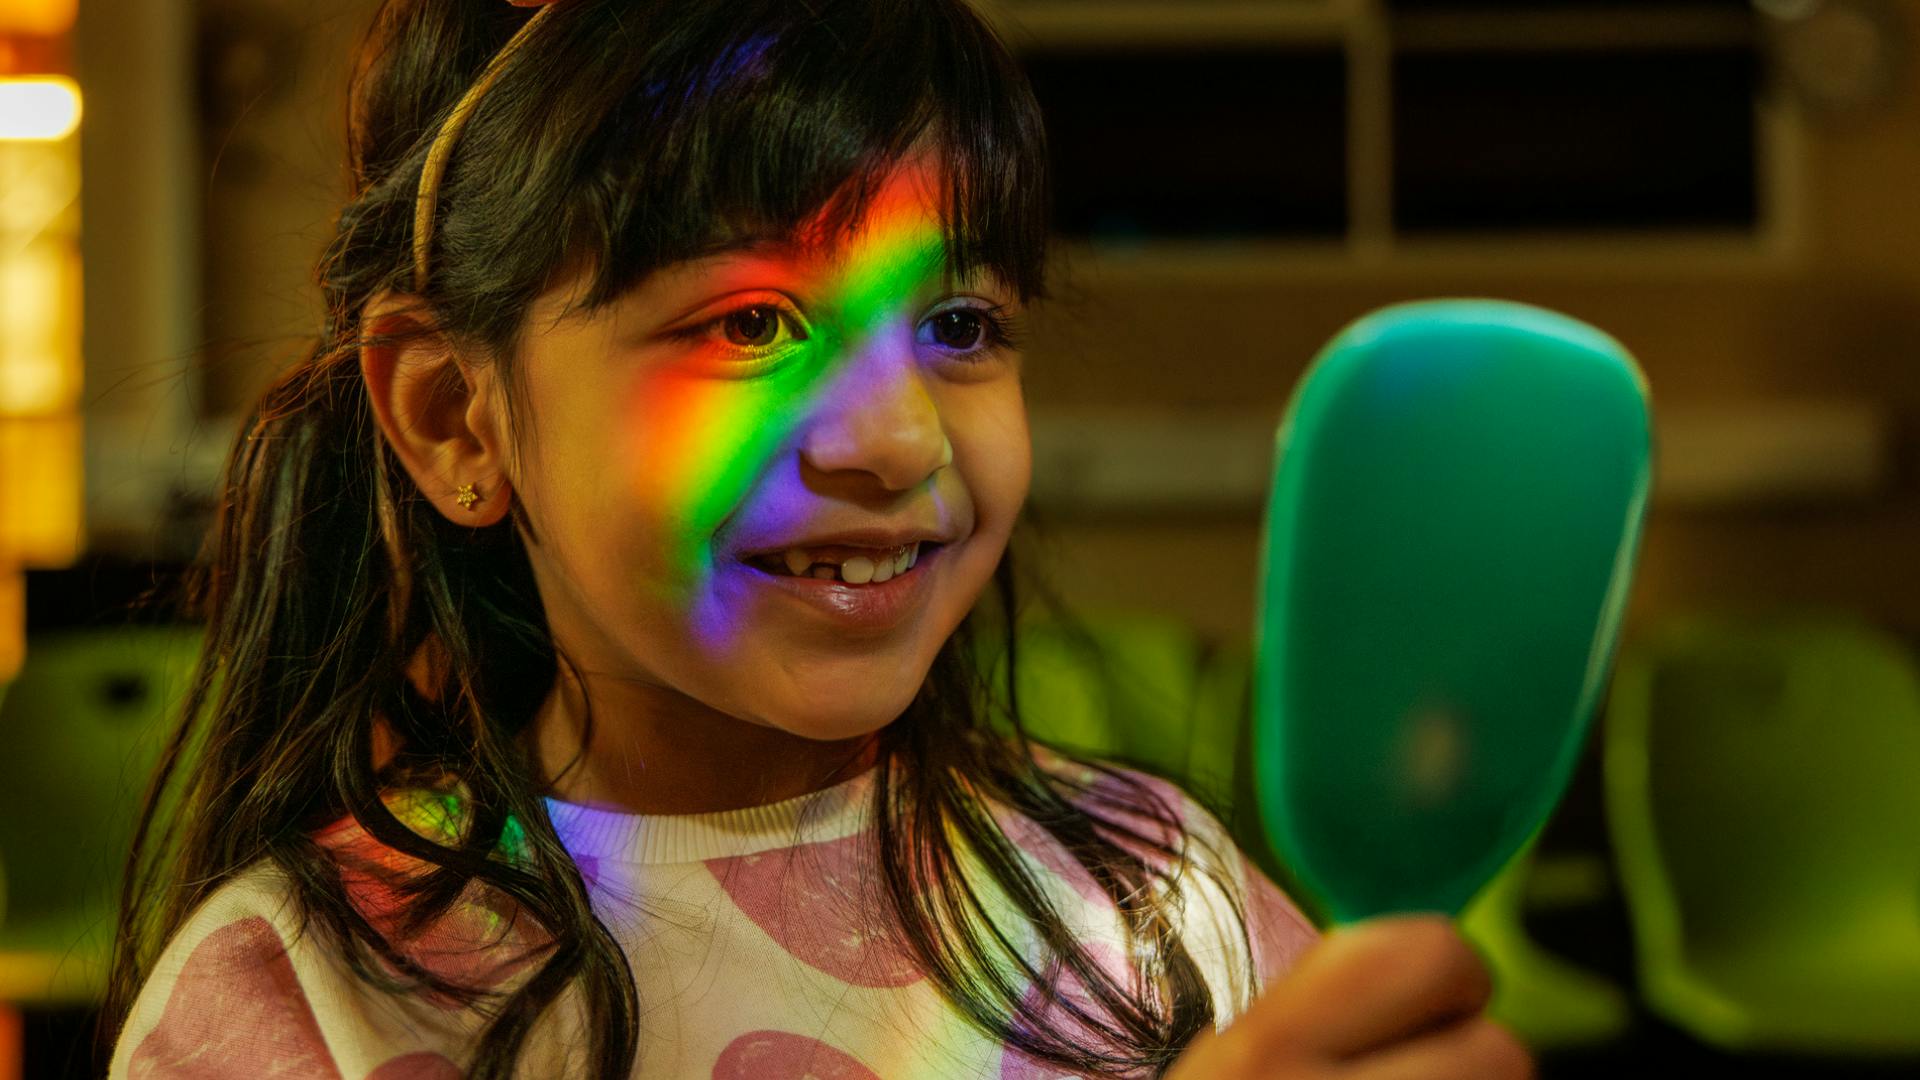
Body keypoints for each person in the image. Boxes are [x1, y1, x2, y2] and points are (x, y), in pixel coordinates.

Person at [103, 1, 1535, 1078]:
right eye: (751, 325)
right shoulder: (298, 992)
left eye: (958, 326)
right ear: (454, 418)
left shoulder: (1153, 893)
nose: (899, 440)